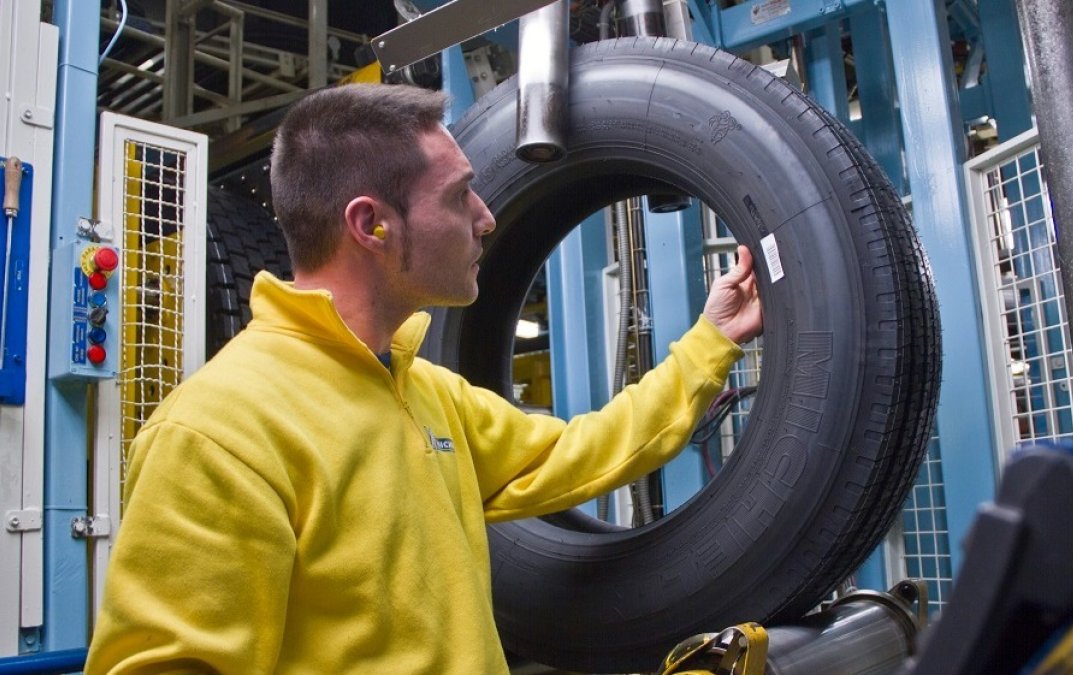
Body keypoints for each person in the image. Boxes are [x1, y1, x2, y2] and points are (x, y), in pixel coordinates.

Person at [86, 83, 762, 673]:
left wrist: (713, 340)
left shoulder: (426, 394)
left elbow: (582, 450)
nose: (486, 218)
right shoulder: (220, 432)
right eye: (460, 195)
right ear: (371, 223)